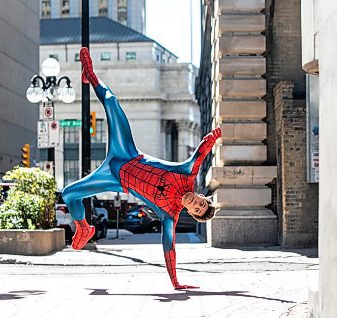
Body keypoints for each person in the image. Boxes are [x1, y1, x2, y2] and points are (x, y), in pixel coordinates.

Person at [62, 47, 221, 290]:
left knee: (69, 194)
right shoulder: (187, 174)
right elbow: (200, 153)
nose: (196, 204)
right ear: (200, 196)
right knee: (112, 102)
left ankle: (84, 227)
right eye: (201, 202)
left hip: (115, 178)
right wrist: (215, 136)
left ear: (192, 212)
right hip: (126, 153)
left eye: (197, 209)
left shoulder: (170, 214)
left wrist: (176, 282)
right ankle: (90, 75)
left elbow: (169, 246)